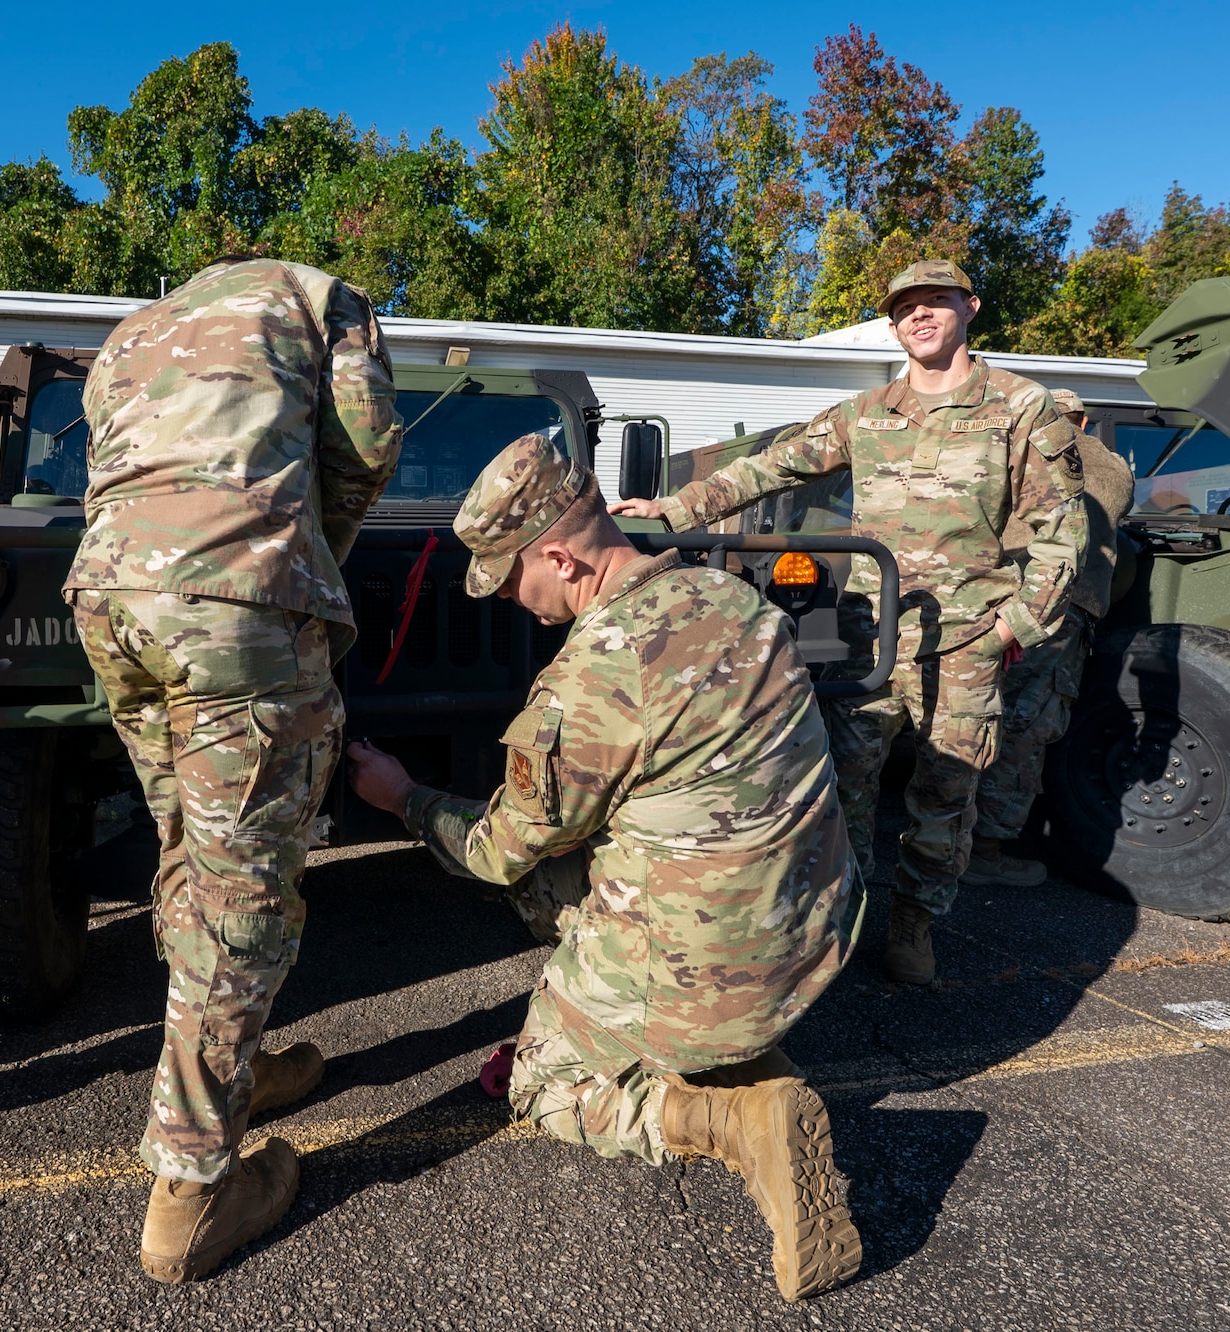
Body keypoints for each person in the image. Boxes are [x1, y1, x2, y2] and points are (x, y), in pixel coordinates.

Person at [346, 435, 864, 1302]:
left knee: (543, 1085)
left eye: (511, 578)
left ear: (558, 554)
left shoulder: (591, 678)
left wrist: (401, 797)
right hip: (817, 927)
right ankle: (726, 1051)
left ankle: (732, 1113)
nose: (509, 598)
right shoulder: (729, 598)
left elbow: (495, 850)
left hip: (716, 965)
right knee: (565, 882)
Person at [63, 256, 401, 1283]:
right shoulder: (316, 298)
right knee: (245, 893)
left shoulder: (133, 330)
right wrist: (307, 558)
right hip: (232, 602)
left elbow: (109, 467)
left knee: (187, 854)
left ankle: (227, 1073)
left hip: (110, 599)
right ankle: (193, 1184)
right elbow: (367, 444)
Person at [611, 260, 1086, 986]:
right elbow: (771, 468)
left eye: (936, 301)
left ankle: (914, 929)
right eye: (906, 308)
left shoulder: (1022, 408)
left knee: (946, 795)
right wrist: (674, 511)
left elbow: (1063, 531)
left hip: (964, 639)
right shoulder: (866, 414)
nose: (920, 316)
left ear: (971, 306)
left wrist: (1016, 626)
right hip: (872, 635)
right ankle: (845, 925)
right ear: (893, 327)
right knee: (843, 788)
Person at [965, 389, 1135, 886]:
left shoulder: (1008, 443)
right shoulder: (1103, 463)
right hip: (1057, 608)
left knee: (971, 713)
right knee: (1026, 726)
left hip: (991, 600)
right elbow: (1113, 509)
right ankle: (986, 854)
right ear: (1081, 420)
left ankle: (942, 840)